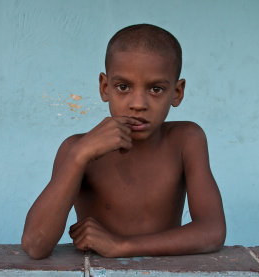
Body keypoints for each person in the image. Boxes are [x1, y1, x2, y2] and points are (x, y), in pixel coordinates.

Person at [21, 23, 226, 259]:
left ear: (177, 93)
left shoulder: (186, 140)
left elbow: (212, 232)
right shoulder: (77, 149)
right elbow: (36, 245)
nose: (138, 103)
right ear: (105, 87)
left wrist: (121, 246)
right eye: (123, 87)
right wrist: (79, 156)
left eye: (156, 89)